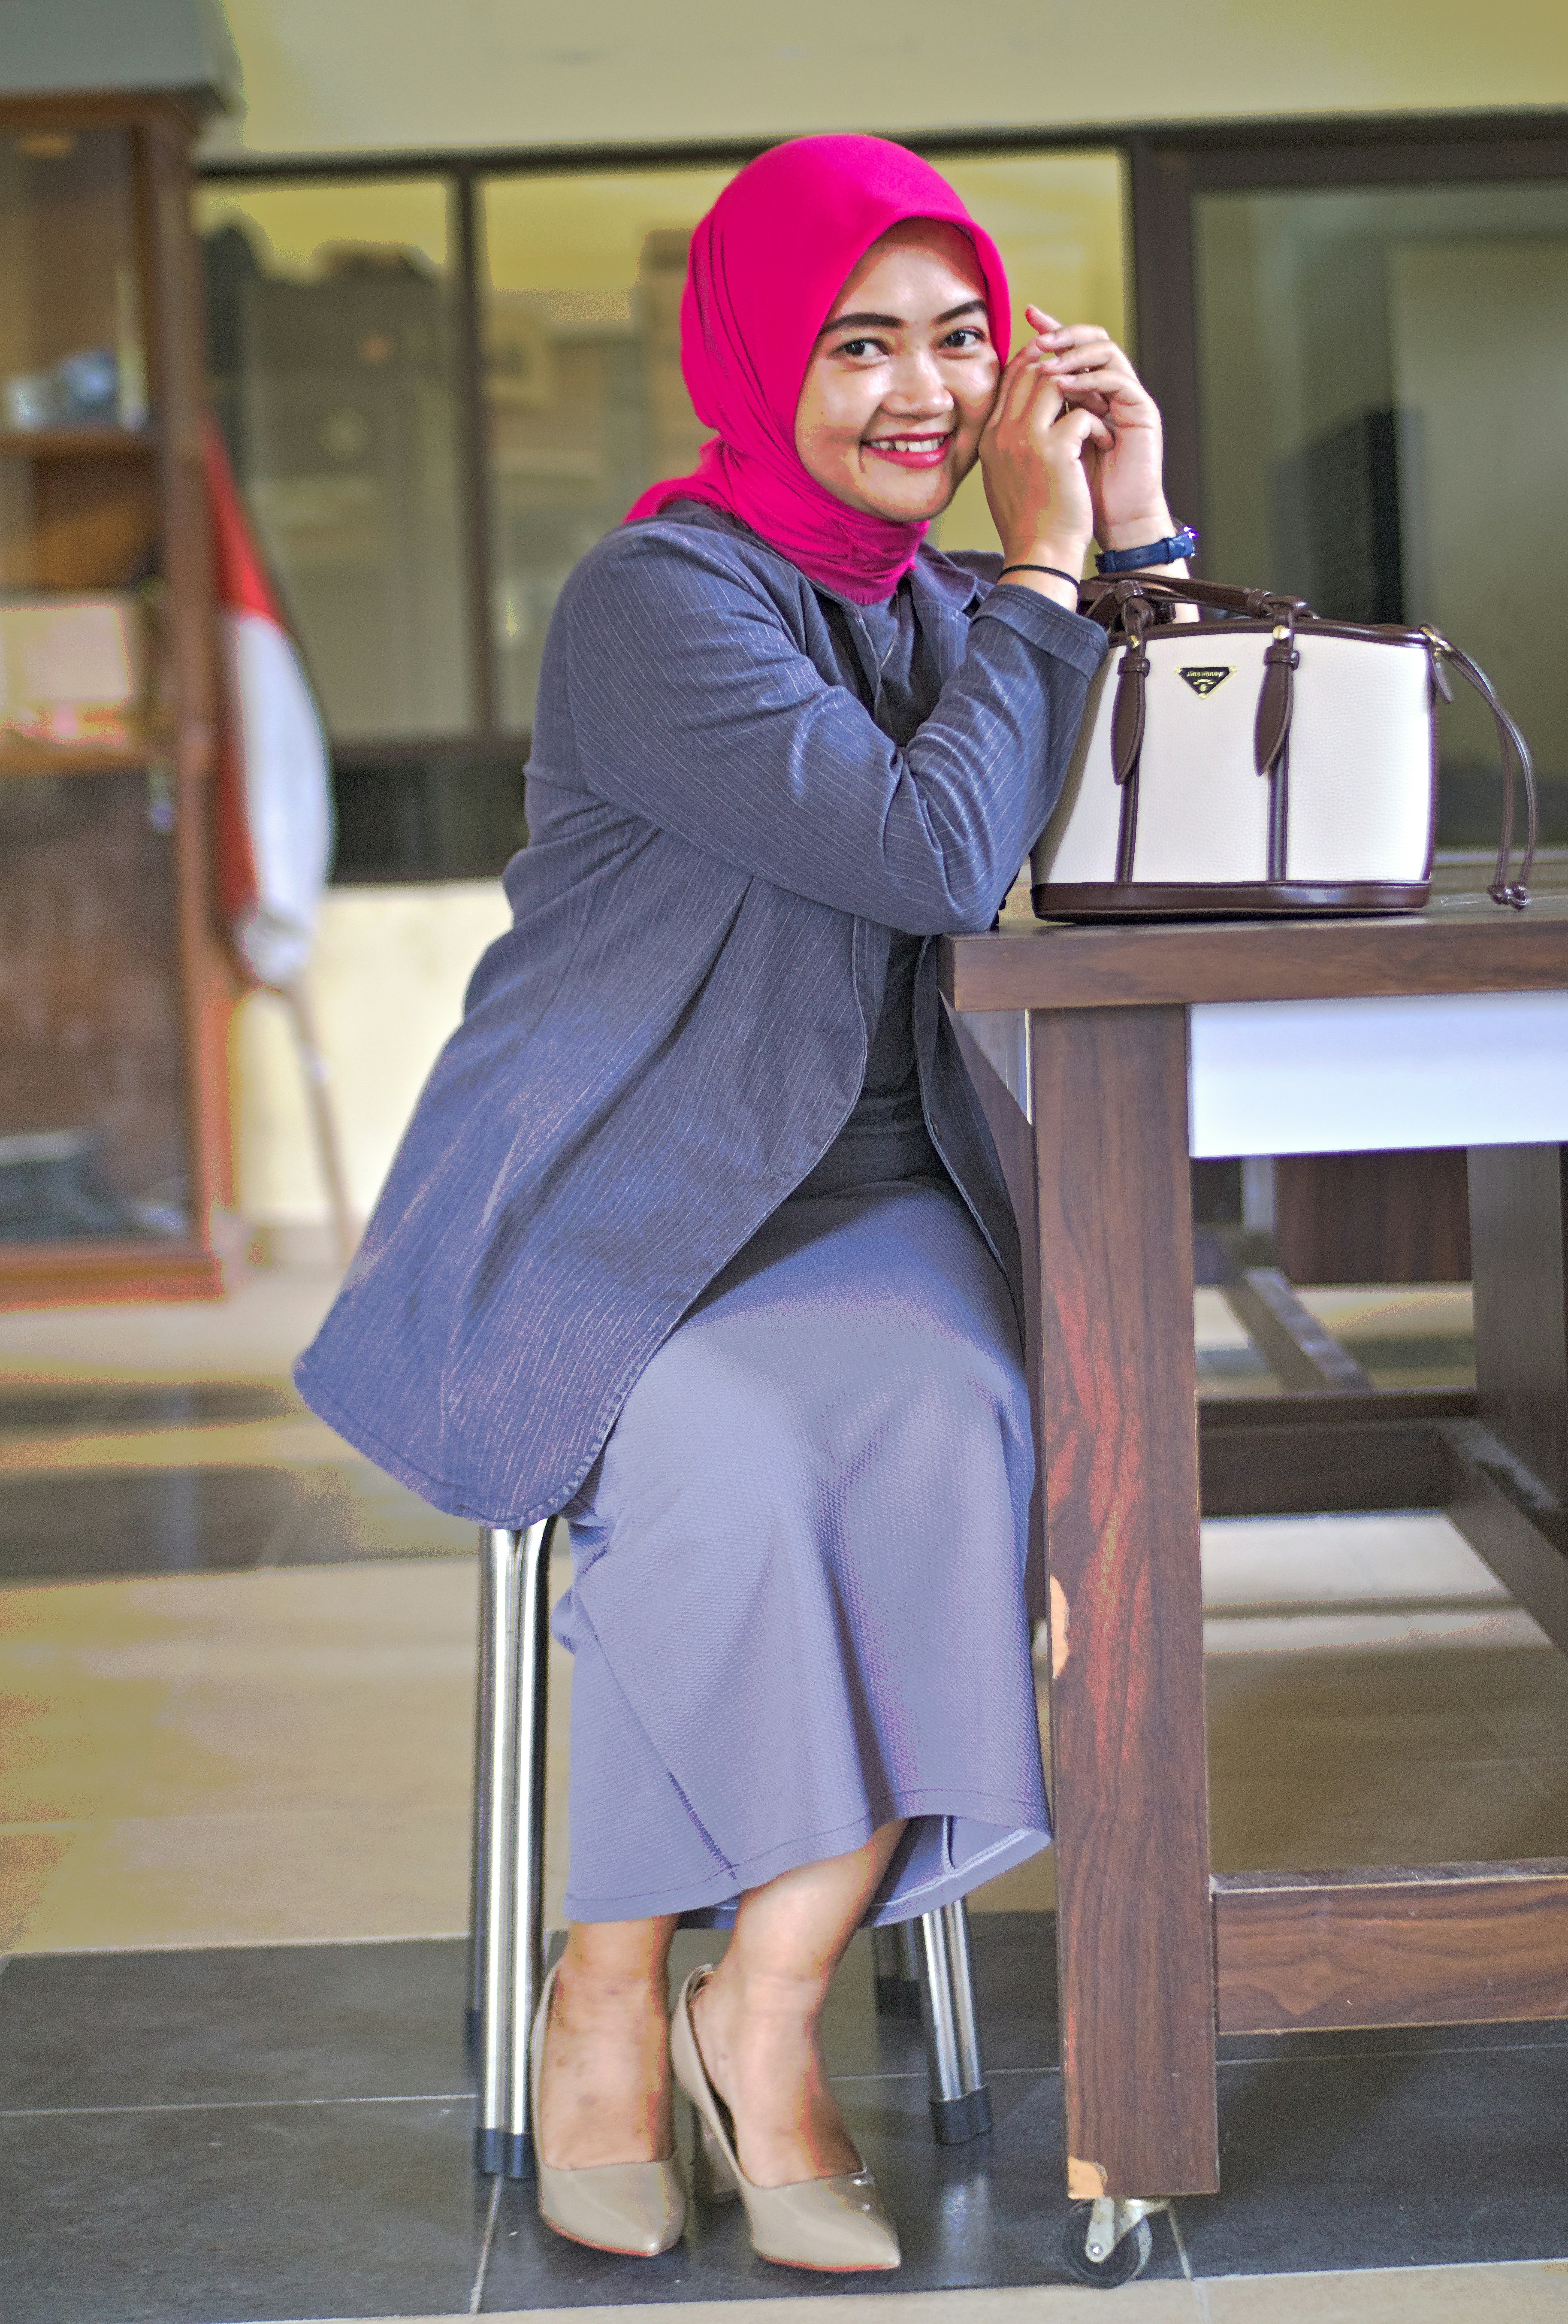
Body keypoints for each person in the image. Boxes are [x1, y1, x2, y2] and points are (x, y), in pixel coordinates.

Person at [295, 132, 1187, 2274]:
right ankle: (607, 1981)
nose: (925, 390)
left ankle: (752, 2002)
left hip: (886, 1197)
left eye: (961, 337)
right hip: (634, 1196)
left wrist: (1136, 523)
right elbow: (915, 847)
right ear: (755, 357)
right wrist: (1053, 589)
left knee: (964, 1423)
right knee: (728, 1446)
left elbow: (1172, 787)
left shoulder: (980, 603)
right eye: (857, 341)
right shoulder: (663, 597)